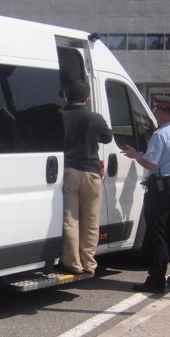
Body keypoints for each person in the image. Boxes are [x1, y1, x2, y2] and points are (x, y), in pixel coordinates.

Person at [123, 96, 170, 293]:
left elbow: (150, 164)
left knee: (158, 235)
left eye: (156, 111)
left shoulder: (161, 135)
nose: (155, 115)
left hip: (161, 190)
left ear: (164, 113)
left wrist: (135, 155)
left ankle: (156, 279)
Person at [59, 80, 113, 275]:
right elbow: (107, 137)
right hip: (91, 172)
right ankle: (89, 263)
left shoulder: (61, 117)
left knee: (70, 220)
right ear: (88, 98)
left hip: (68, 172)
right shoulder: (94, 118)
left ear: (67, 96)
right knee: (91, 221)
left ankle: (73, 263)